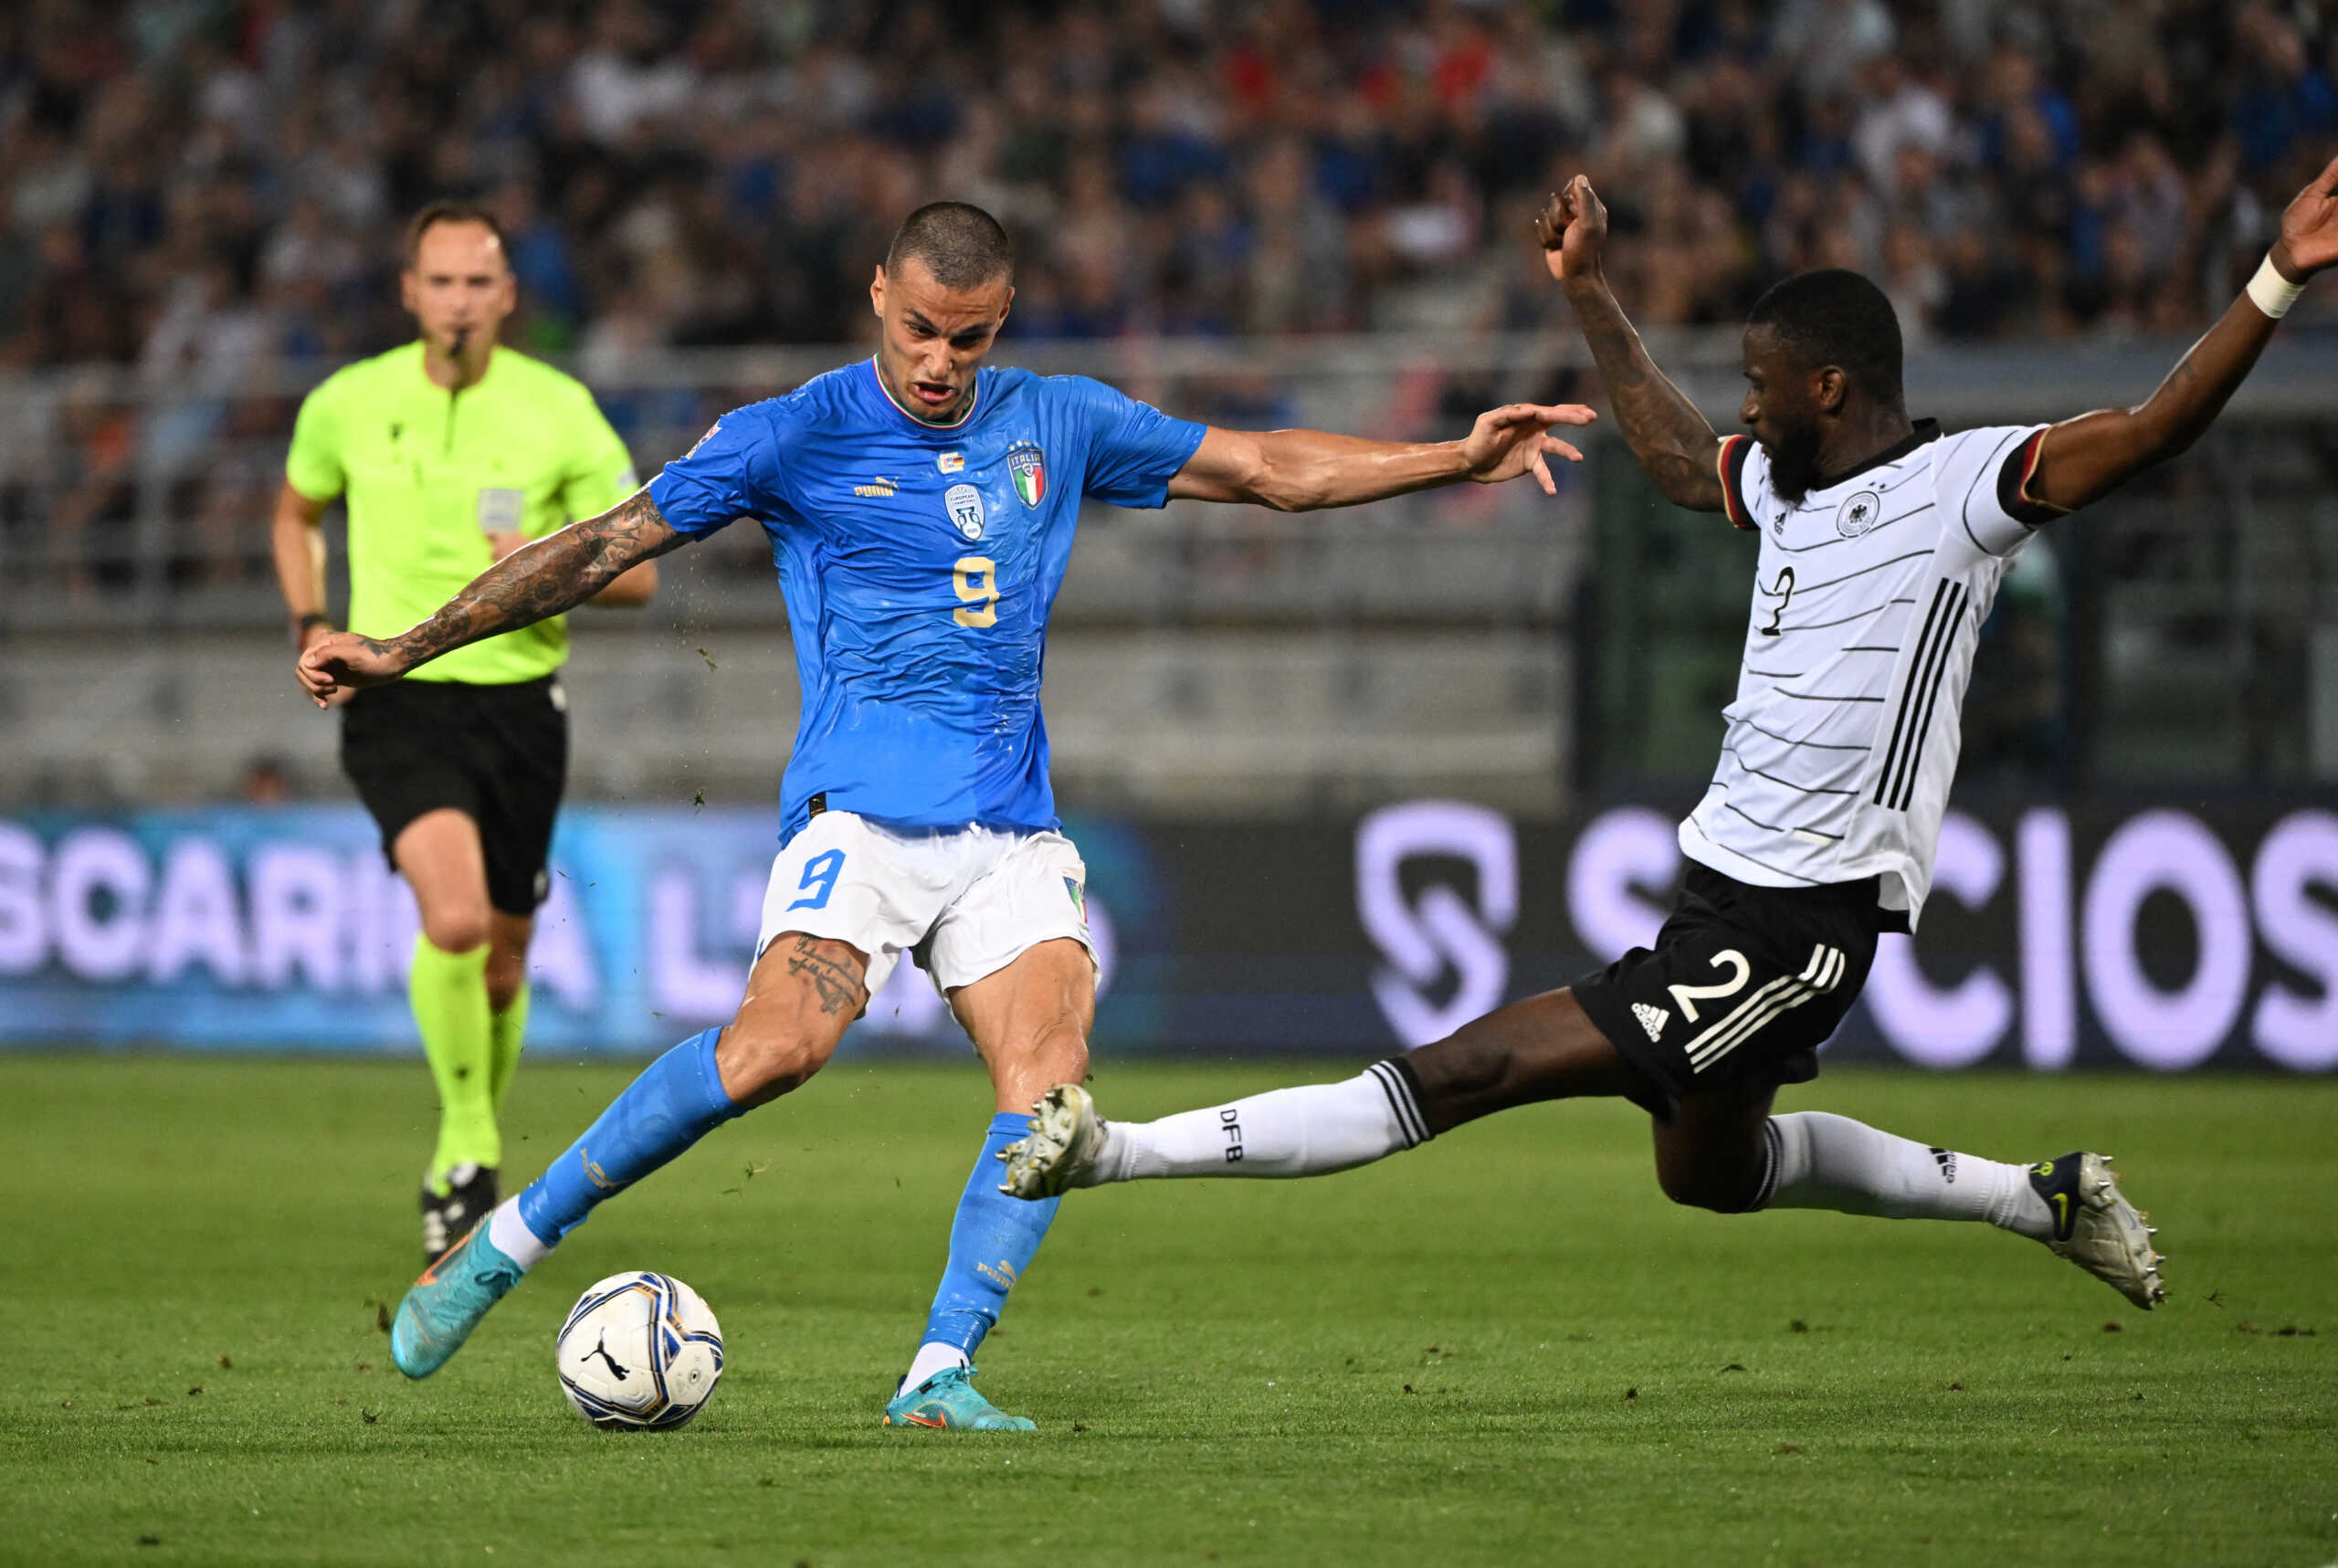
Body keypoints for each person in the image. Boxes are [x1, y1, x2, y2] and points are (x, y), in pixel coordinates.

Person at [296, 201, 1596, 1429]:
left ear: (1005, 317)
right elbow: (602, 543)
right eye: (919, 328)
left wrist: (1453, 456)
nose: (938, 359)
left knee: (1050, 1097)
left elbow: (1266, 469)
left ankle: (937, 1372)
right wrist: (409, 646)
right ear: (879, 295)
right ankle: (503, 1244)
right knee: (773, 1054)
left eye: (968, 337)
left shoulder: (1061, 420)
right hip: (856, 823)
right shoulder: (796, 433)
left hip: (1010, 837)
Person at [998, 154, 2338, 1314]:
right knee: (1712, 1174)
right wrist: (1588, 292)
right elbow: (1676, 457)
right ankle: (2037, 1198)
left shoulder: (1963, 492)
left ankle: (1113, 1153)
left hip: (1803, 924)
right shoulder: (1787, 489)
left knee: (1471, 1066)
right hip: (1718, 894)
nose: (1744, 410)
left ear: (1829, 383)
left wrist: (2274, 275)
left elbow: (2157, 428)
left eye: (1760, 387)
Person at [271, 201, 657, 1266]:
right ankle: (468, 1144)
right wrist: (310, 620)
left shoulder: (562, 410)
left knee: (501, 963)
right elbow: (295, 511)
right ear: (409, 291)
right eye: (439, 282)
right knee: (454, 924)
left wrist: (548, 552)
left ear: (507, 294)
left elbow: (643, 575)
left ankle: (468, 1152)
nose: (458, 301)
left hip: (522, 704)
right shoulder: (349, 402)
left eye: (478, 282)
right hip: (396, 690)